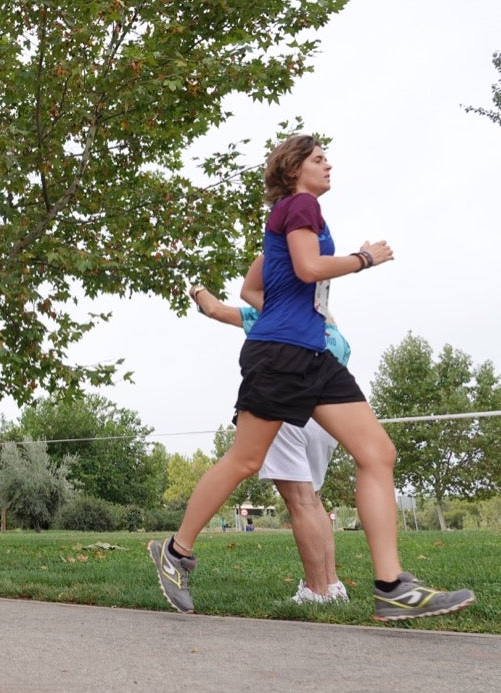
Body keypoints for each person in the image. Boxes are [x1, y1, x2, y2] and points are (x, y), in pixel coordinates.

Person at [149, 134, 475, 621]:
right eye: (319, 158)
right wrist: (365, 259)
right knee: (245, 459)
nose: (328, 165)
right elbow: (307, 269)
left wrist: (285, 309)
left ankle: (391, 585)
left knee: (378, 453)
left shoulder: (297, 215)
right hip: (280, 355)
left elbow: (270, 282)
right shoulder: (300, 205)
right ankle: (175, 553)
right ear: (294, 167)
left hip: (315, 355)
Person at [190, 280, 350, 603]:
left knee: (300, 502)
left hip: (287, 408)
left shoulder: (274, 313)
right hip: (328, 417)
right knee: (314, 500)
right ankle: (332, 586)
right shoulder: (325, 321)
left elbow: (215, 309)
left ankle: (315, 591)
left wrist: (196, 289)